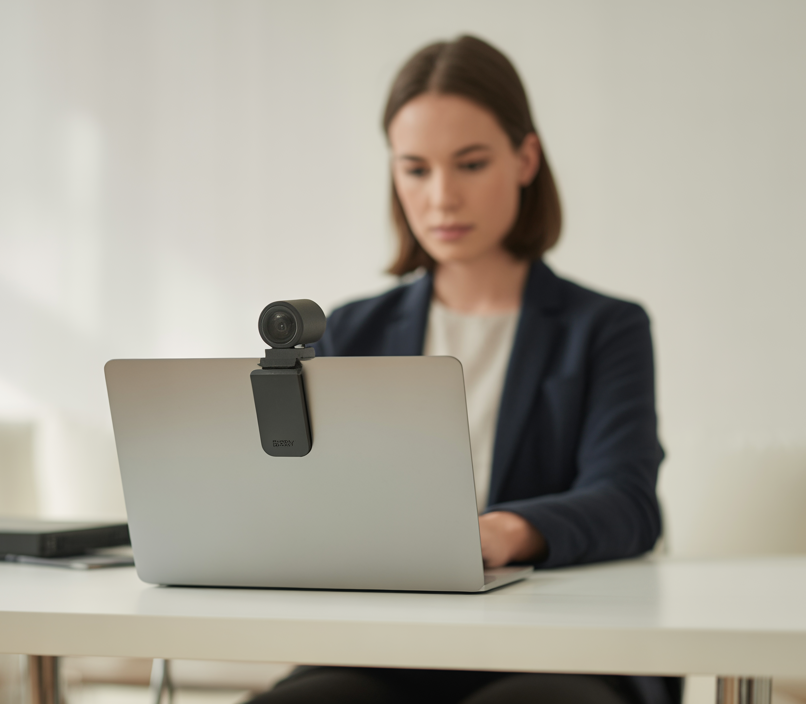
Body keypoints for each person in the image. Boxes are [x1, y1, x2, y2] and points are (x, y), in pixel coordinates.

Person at [248, 35, 678, 704]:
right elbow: (311, 505)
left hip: (561, 647)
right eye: (415, 169)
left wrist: (500, 532)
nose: (442, 197)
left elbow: (628, 502)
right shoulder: (351, 331)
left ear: (525, 159)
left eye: (471, 164)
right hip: (391, 646)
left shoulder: (606, 328)